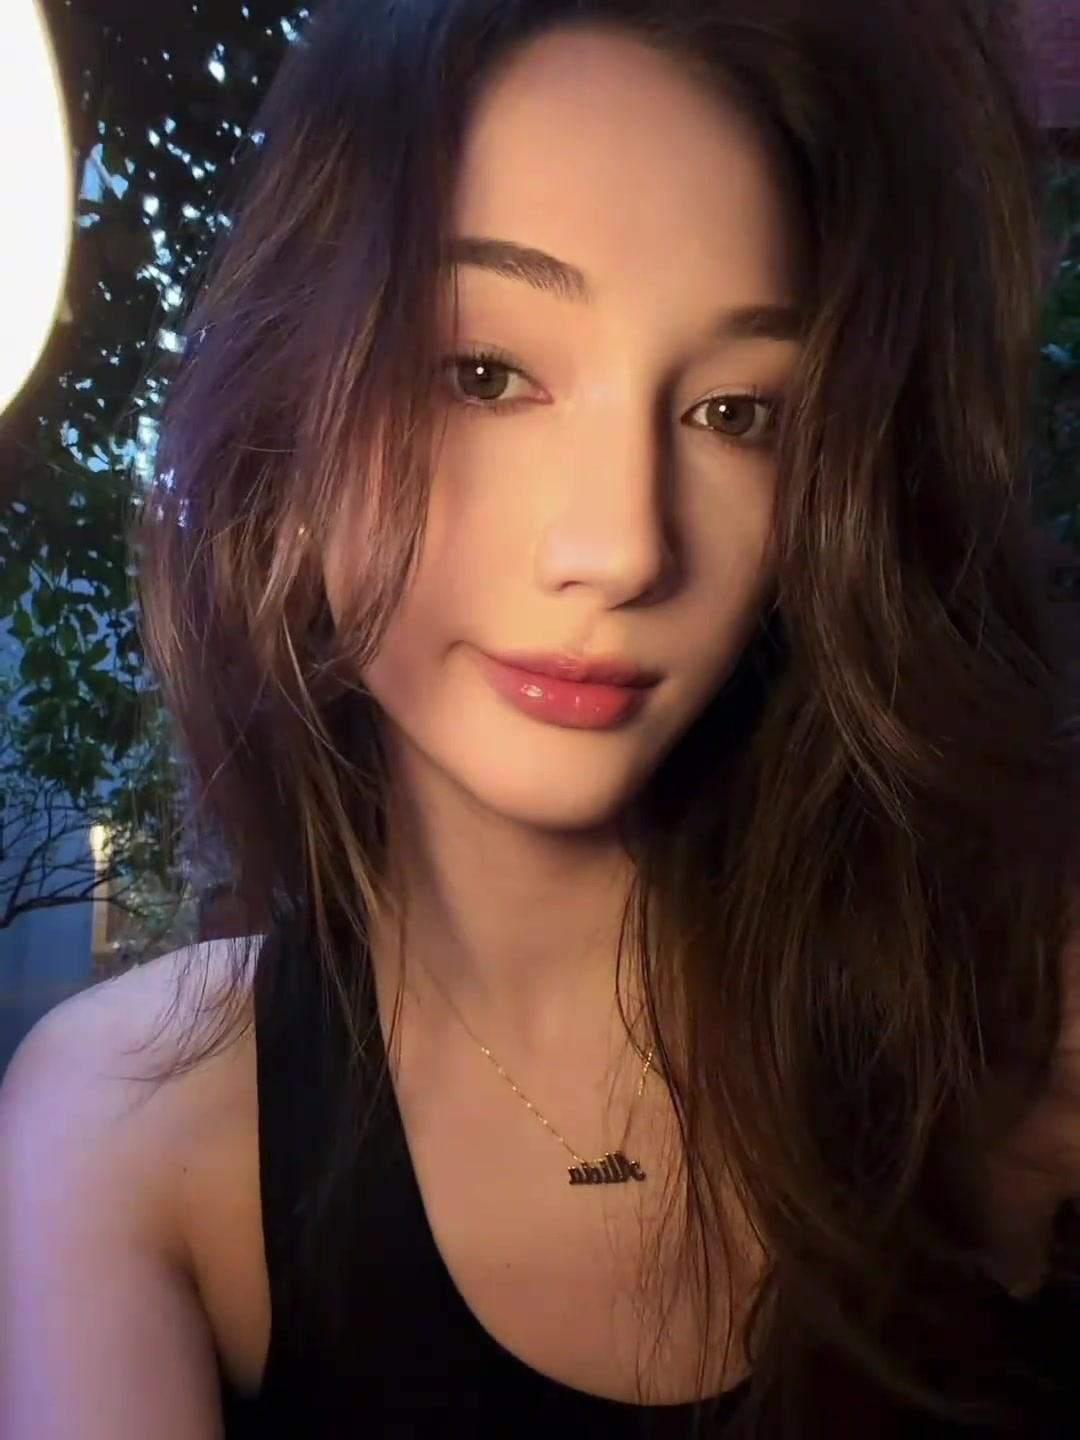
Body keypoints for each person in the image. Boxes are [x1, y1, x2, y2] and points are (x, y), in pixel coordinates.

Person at [2, 1, 1079, 1435]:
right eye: (485, 373)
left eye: (738, 414)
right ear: (285, 411)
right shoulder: (137, 1123)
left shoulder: (1003, 1019)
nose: (623, 547)